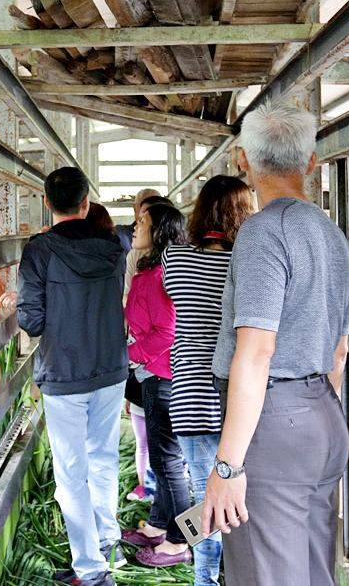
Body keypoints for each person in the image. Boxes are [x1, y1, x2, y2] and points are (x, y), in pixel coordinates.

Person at [201, 100, 349, 586]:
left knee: (267, 574)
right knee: (314, 569)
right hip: (324, 418)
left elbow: (256, 352)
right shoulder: (333, 235)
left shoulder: (264, 234)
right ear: (311, 163)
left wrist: (226, 468)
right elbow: (339, 351)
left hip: (273, 424)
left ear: (242, 161)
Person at [16, 167, 129, 586]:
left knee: (71, 472)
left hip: (65, 373)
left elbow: (31, 319)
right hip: (111, 368)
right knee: (103, 459)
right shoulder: (114, 246)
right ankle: (108, 548)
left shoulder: (39, 250)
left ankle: (91, 568)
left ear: (47, 203)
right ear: (86, 202)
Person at [161, 175, 255, 586]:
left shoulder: (175, 258)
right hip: (241, 399)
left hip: (189, 397)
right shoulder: (249, 263)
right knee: (239, 499)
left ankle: (205, 579)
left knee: (206, 499)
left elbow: (170, 296)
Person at [121, 203, 193, 568]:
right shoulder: (151, 271)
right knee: (166, 460)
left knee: (168, 463)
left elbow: (167, 331)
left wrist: (129, 354)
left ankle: (181, 542)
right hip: (154, 374)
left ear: (159, 231)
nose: (135, 226)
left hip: (163, 376)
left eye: (143, 223)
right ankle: (158, 525)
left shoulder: (160, 276)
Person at [115, 188, 160, 252]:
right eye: (145, 208)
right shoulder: (120, 234)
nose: (150, 212)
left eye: (156, 207)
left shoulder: (170, 235)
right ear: (134, 208)